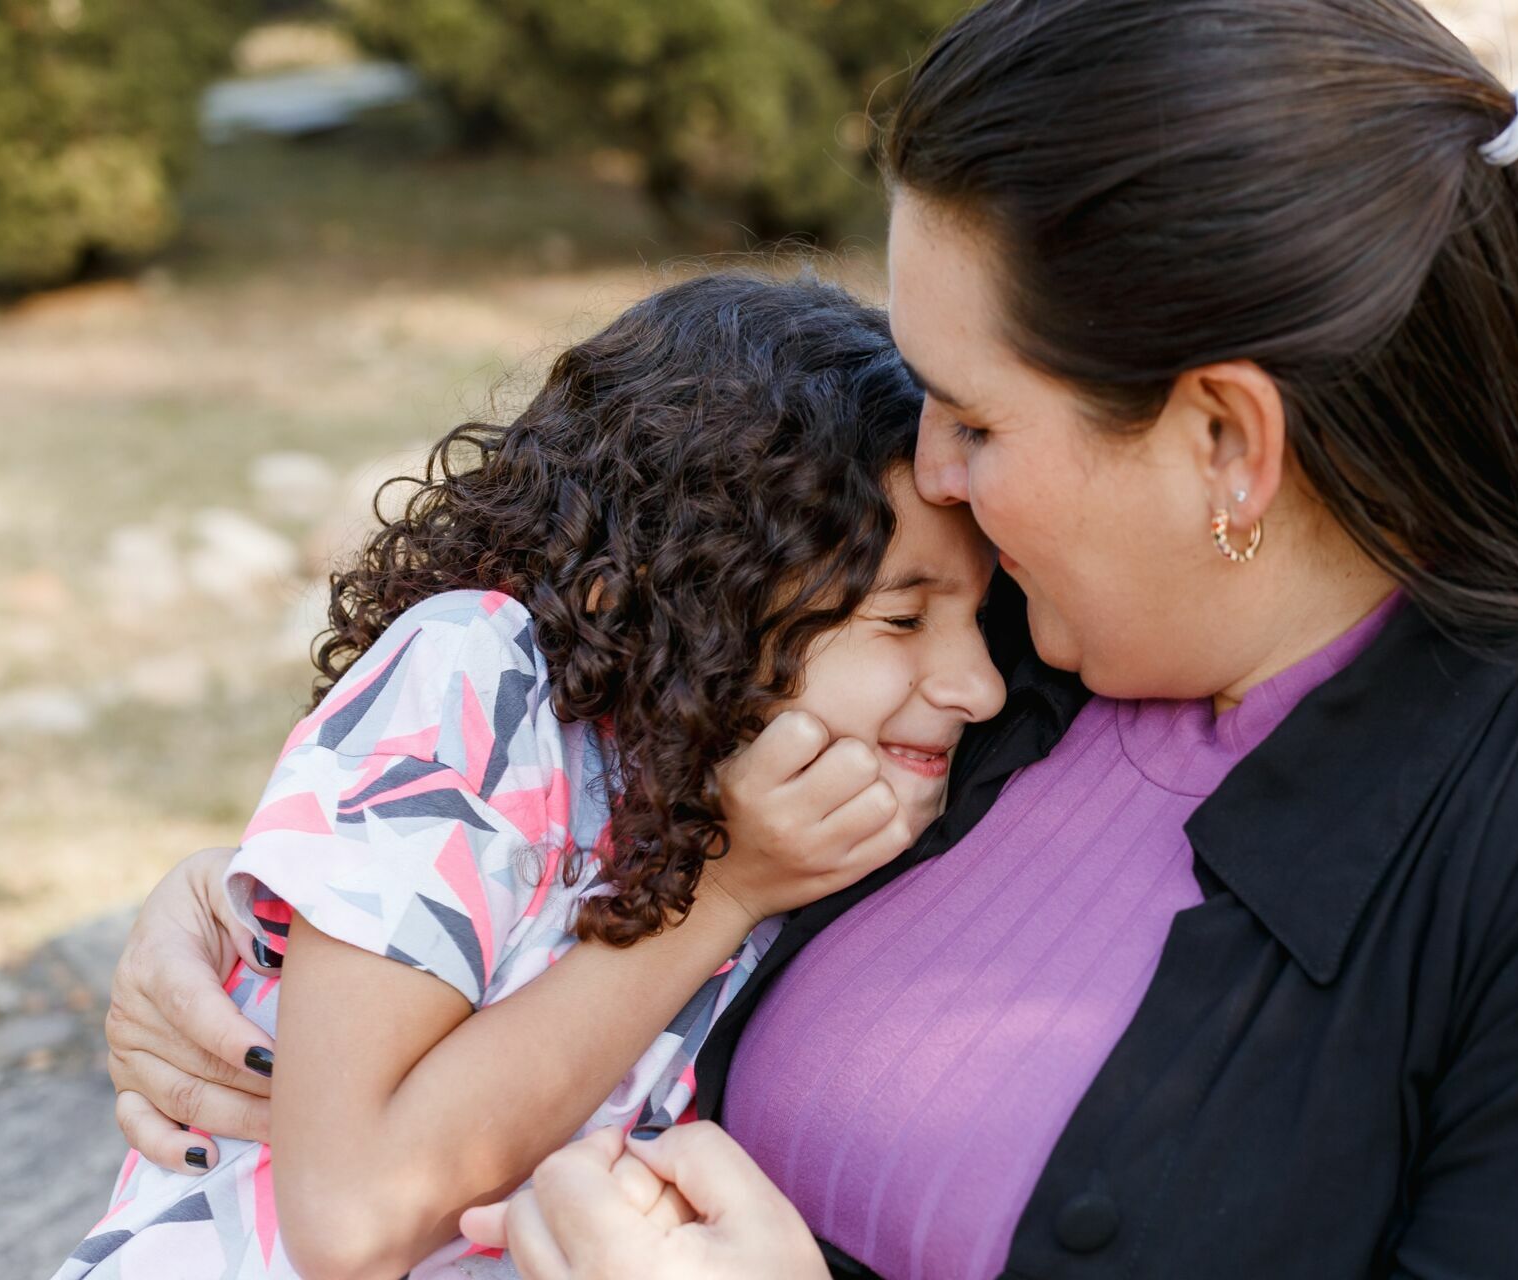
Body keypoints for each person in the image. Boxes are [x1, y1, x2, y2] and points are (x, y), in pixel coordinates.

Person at [106, 1, 1518, 1276]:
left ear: (1227, 443)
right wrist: (253, 928)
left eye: (976, 418)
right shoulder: (1037, 659)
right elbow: (570, 806)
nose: (924, 473)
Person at [55, 272, 1004, 1280]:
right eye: (903, 617)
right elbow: (350, 1215)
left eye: (982, 623)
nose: (981, 685)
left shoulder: (816, 801)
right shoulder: (476, 675)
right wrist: (724, 892)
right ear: (685, 583)